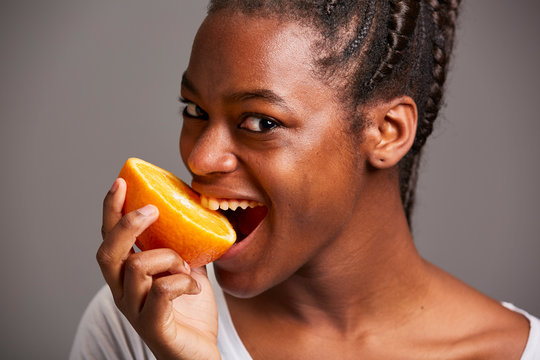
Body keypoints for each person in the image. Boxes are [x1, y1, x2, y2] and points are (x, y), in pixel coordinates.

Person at [71, 0, 540, 359]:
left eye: (260, 122)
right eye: (194, 111)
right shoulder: (141, 320)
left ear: (387, 131)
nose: (200, 156)